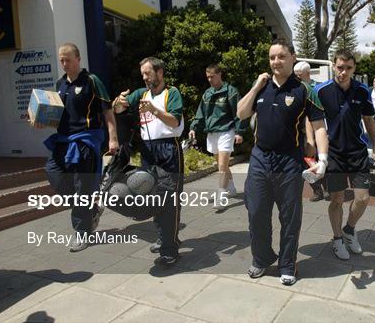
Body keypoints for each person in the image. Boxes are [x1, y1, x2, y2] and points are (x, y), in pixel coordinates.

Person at [237, 38, 329, 285]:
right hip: (259, 159)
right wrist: (256, 86)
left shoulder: (303, 90)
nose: (276, 61)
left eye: (281, 56)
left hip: (289, 161)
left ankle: (288, 264)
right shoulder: (262, 88)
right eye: (272, 57)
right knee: (256, 212)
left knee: (290, 217)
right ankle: (262, 258)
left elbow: (319, 126)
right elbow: (241, 113)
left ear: (293, 57)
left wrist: (323, 159)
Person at [35, 43, 119, 252]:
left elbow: (107, 111)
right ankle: (89, 211)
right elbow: (56, 117)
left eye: (68, 60)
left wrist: (113, 138)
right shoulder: (60, 84)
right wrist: (40, 121)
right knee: (53, 173)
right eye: (61, 60)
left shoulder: (92, 81)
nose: (64, 64)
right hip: (63, 141)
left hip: (86, 140)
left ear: (78, 59)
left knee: (83, 187)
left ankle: (82, 232)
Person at [113, 57, 184, 266]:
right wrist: (119, 103)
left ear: (160, 72)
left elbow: (174, 120)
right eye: (143, 74)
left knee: (170, 200)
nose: (144, 77)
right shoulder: (140, 93)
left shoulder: (172, 93)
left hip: (168, 148)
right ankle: (164, 238)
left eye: (148, 73)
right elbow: (118, 108)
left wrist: (153, 109)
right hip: (148, 150)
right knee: (152, 196)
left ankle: (170, 249)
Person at [311, 50, 375, 260]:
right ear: (334, 66)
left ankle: (349, 229)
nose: (343, 72)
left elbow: (369, 120)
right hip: (334, 154)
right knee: (337, 199)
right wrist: (312, 146)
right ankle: (337, 238)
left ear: (354, 69)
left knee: (363, 197)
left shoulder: (362, 91)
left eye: (348, 68)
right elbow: (312, 120)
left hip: (357, 152)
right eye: (340, 67)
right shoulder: (320, 90)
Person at [188, 64, 244, 209]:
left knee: (221, 165)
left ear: (220, 74)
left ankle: (221, 196)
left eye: (212, 76)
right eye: (208, 77)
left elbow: (239, 113)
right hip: (211, 132)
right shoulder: (207, 93)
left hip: (226, 131)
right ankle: (230, 188)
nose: (210, 79)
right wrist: (193, 128)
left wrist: (239, 132)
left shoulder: (231, 91)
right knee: (221, 163)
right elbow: (200, 113)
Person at [294, 61, 328, 202]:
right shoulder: (295, 88)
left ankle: (327, 188)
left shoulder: (319, 88)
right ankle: (317, 189)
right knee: (307, 161)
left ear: (308, 74)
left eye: (299, 75)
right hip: (301, 132)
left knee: (322, 160)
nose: (297, 78)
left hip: (318, 130)